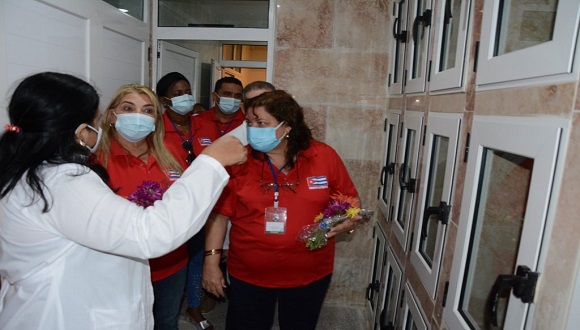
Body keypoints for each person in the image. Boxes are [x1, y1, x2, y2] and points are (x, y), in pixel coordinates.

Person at [0, 72, 246, 329]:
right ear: (82, 130)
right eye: (95, 120)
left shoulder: (30, 171)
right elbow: (151, 233)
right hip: (62, 313)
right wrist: (211, 162)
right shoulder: (62, 182)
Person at [202, 90, 359, 330]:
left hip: (309, 274)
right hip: (249, 274)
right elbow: (219, 215)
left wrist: (346, 221)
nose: (252, 129)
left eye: (261, 123)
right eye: (250, 123)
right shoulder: (239, 161)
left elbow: (349, 200)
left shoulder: (323, 155)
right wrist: (211, 265)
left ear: (287, 127)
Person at [96, 83, 193, 330]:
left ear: (156, 119)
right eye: (128, 108)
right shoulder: (95, 158)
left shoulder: (171, 152)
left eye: (147, 110)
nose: (138, 116)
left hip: (170, 262)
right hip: (120, 264)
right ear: (111, 115)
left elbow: (187, 199)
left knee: (166, 322)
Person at [200, 81, 277, 315]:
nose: (260, 109)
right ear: (244, 108)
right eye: (254, 104)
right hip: (242, 238)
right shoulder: (232, 144)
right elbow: (221, 208)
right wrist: (218, 252)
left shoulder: (292, 140)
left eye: (268, 102)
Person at [156, 72, 213, 330]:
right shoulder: (155, 128)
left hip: (203, 206)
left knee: (197, 258)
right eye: (177, 93)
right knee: (172, 262)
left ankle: (193, 305)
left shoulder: (204, 125)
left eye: (187, 91)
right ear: (164, 100)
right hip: (170, 209)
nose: (185, 97)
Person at [190, 77, 245, 155]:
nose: (233, 99)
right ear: (215, 96)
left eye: (237, 96)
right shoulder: (198, 121)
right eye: (227, 94)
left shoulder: (247, 123)